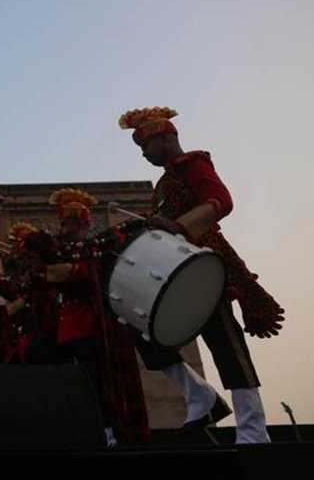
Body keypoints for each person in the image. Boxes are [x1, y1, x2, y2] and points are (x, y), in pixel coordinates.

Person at [119, 107, 284, 443]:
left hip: (207, 264)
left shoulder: (193, 164)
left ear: (166, 138)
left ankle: (253, 429)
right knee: (143, 331)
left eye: (146, 145)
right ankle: (201, 397)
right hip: (177, 269)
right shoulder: (164, 184)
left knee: (225, 343)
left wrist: (179, 226)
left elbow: (220, 200)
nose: (144, 153)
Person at [42, 188, 150, 447]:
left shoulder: (97, 249)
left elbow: (89, 275)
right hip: (70, 328)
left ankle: (110, 430)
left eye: (67, 222)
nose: (63, 227)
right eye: (62, 222)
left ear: (81, 223)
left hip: (90, 326)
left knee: (97, 383)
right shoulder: (67, 250)